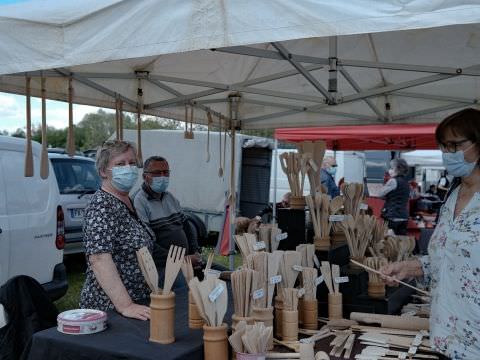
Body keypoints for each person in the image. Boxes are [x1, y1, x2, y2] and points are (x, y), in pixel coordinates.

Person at [381, 108, 480, 359]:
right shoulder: (452, 196)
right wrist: (409, 267)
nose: (448, 153)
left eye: (455, 145)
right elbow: (447, 260)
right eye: (443, 146)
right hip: (444, 337)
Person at [80, 140, 153, 320]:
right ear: (103, 171)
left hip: (137, 302)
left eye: (132, 163)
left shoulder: (125, 200)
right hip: (109, 310)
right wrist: (125, 305)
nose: (128, 168)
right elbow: (98, 258)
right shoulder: (102, 205)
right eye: (120, 164)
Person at [133, 156, 201, 289]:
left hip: (185, 261)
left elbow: (187, 227)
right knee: (188, 289)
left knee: (218, 275)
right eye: (157, 173)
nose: (163, 177)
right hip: (162, 266)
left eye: (166, 172)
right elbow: (147, 245)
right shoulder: (139, 201)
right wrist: (181, 261)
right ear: (145, 176)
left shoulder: (170, 198)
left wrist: (195, 253)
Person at [378, 158, 410, 235]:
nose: (389, 171)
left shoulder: (393, 181)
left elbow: (380, 194)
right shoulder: (406, 182)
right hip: (403, 216)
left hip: (392, 216)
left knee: (390, 243)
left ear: (399, 169)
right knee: (400, 242)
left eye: (392, 168)